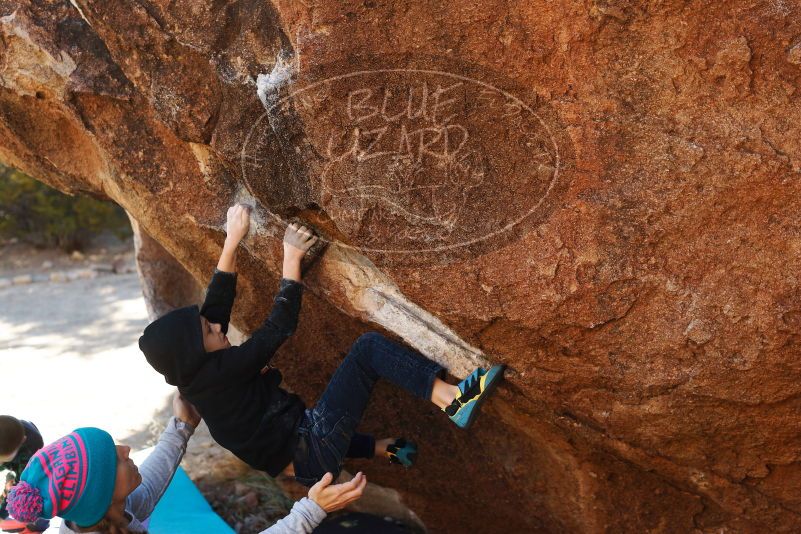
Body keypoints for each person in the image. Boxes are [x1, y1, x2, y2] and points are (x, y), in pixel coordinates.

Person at [138, 203, 506, 487]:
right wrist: (291, 259)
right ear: (197, 354)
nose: (217, 327)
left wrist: (233, 237)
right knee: (368, 351)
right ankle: (451, 399)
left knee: (321, 431)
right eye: (207, 331)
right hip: (311, 443)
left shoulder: (198, 372)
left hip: (304, 460)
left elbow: (215, 307)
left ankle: (385, 449)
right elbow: (279, 327)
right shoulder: (219, 376)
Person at [5, 391, 367, 533]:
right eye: (115, 457)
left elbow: (141, 493)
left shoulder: (94, 516)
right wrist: (310, 511)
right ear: (101, 496)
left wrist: (181, 427)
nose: (127, 449)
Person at [0, 416, 44, 521]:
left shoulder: (28, 457)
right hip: (20, 432)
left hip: (29, 450)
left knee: (24, 483)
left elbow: (18, 488)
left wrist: (1, 513)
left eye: (2, 459)